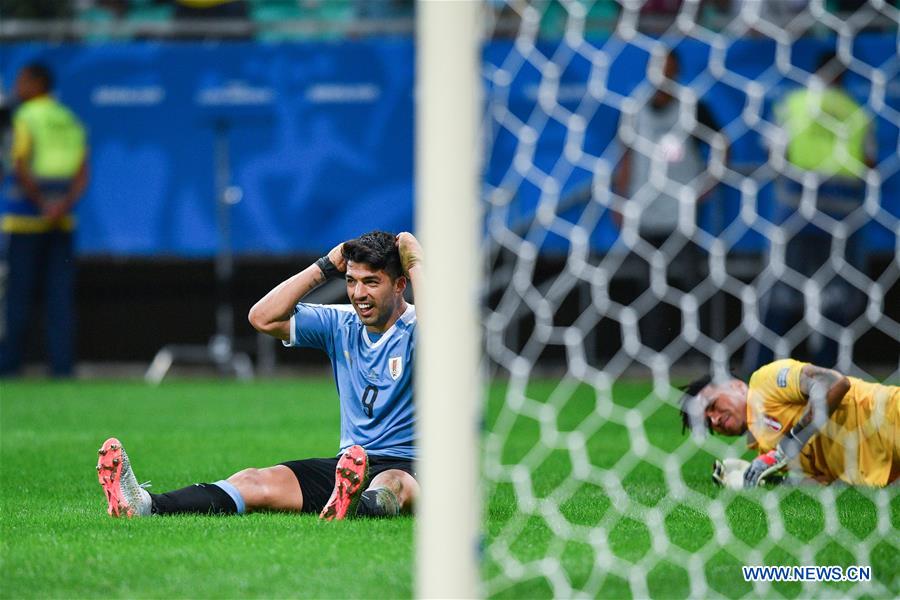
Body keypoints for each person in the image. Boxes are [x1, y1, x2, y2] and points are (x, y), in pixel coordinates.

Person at [96, 231, 424, 520]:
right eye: (351, 281)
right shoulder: (341, 322)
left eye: (371, 282)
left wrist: (416, 265)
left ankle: (357, 505)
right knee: (255, 481)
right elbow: (262, 318)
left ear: (399, 285)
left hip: (413, 466)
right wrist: (325, 265)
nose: (358, 294)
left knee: (394, 484)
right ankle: (146, 504)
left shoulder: (419, 326)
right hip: (349, 465)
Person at [743, 49, 874, 373]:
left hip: (796, 210)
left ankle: (763, 368)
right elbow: (870, 160)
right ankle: (828, 372)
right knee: (836, 295)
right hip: (842, 214)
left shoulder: (793, 103)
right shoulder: (856, 112)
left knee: (781, 291)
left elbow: (774, 150)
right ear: (844, 74)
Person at [613, 49, 727, 351]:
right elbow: (625, 155)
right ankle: (651, 351)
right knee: (647, 284)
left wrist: (708, 183)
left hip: (682, 213)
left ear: (677, 71)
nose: (663, 75)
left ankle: (697, 352)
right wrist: (620, 199)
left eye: (669, 68)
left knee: (691, 280)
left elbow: (721, 144)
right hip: (644, 210)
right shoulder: (634, 110)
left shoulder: (691, 108)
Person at [679, 359, 899, 487]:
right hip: (888, 471)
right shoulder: (766, 449)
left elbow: (834, 383)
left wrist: (788, 446)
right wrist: (770, 480)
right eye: (708, 422)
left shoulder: (765, 381)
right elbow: (824, 481)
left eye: (713, 405)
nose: (715, 419)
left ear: (735, 386)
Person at [0, 63, 89, 377]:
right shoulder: (68, 118)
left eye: (22, 81)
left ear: (38, 84)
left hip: (26, 220)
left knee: (18, 298)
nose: (17, 86)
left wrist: (41, 204)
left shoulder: (25, 116)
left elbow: (20, 164)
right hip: (62, 220)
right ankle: (62, 368)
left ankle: (10, 368)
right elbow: (82, 171)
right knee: (59, 299)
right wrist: (61, 206)